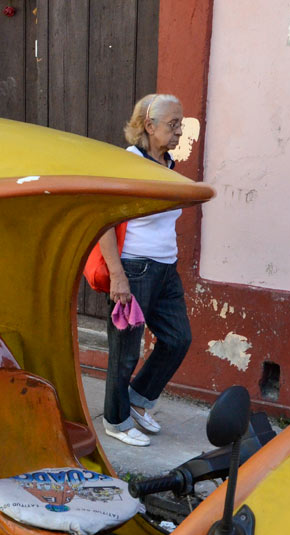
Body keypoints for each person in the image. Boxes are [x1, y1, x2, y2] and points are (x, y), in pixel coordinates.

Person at [100, 93, 191, 447]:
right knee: (125, 352)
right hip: (135, 268)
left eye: (180, 124)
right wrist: (117, 275)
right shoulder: (128, 163)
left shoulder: (165, 164)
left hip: (166, 268)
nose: (179, 131)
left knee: (178, 339)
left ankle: (136, 401)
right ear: (149, 126)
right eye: (173, 124)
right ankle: (116, 420)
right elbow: (103, 221)